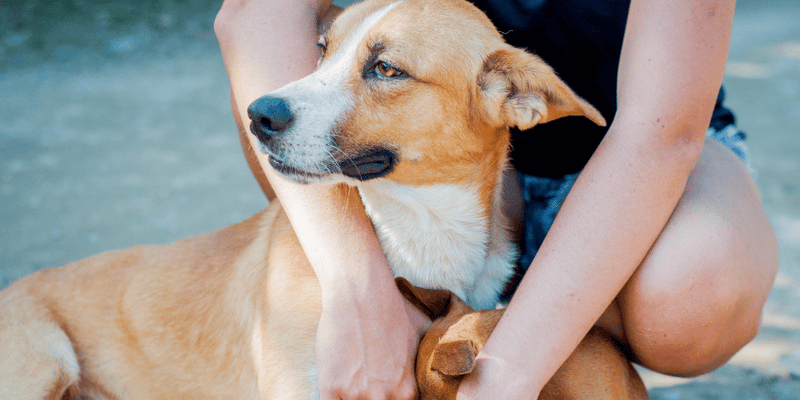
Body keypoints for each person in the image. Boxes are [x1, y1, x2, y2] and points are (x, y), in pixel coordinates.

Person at [214, 0, 780, 398]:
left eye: (382, 69)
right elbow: (255, 13)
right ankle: (415, 315)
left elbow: (660, 135)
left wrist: (507, 375)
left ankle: (503, 337)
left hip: (637, 145)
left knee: (689, 298)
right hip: (460, 161)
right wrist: (355, 288)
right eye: (325, 53)